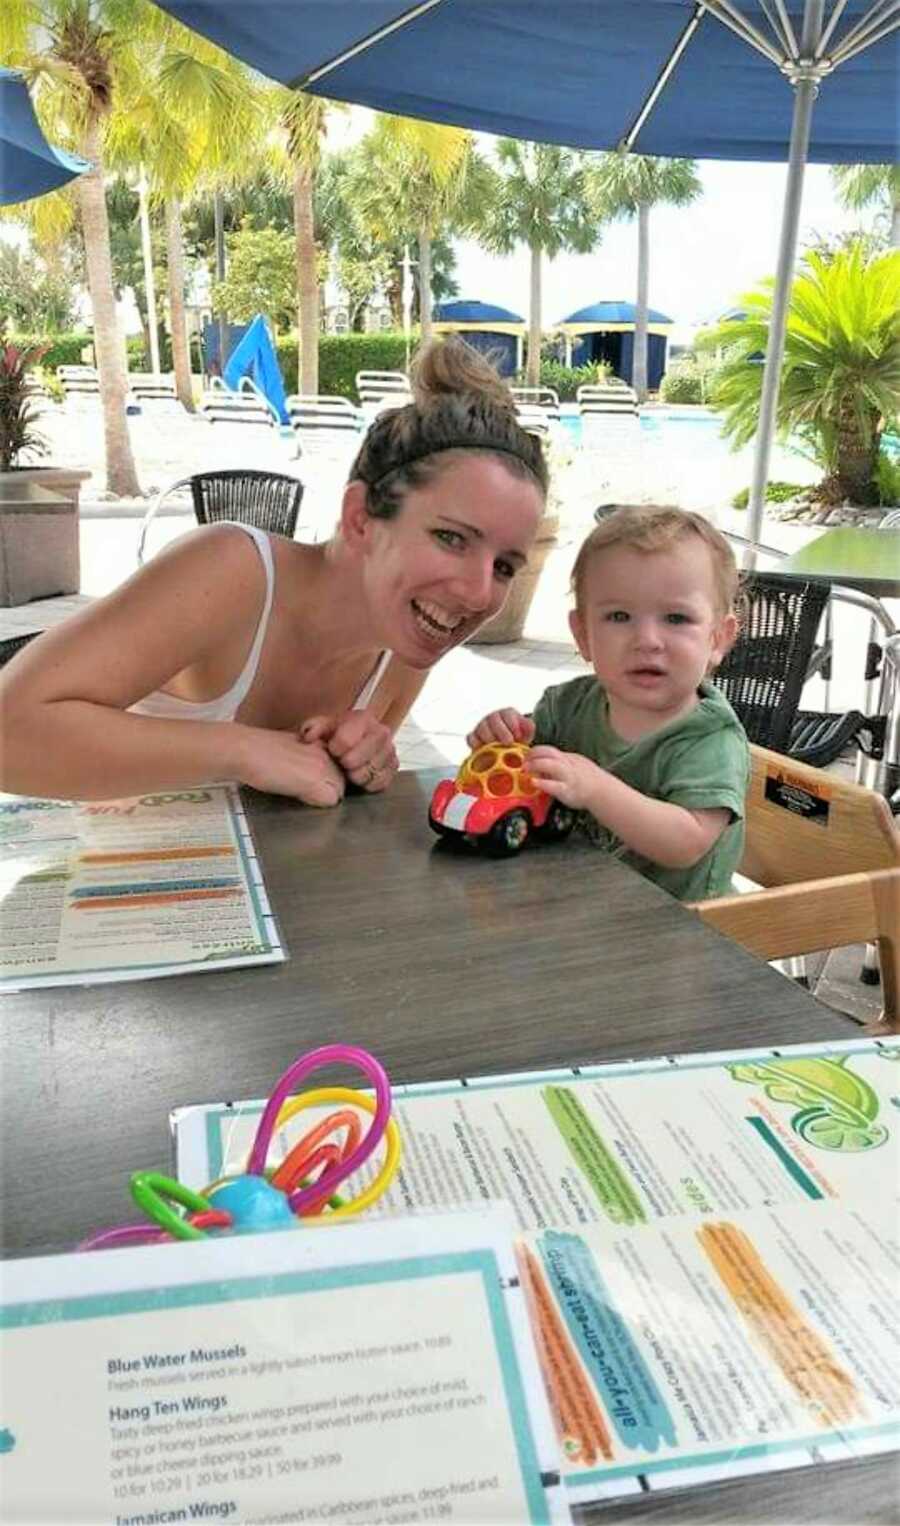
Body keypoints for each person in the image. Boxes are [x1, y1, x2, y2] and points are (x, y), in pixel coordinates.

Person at [0, 340, 547, 805]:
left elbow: (305, 806)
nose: (478, 591)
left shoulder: (406, 644)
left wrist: (363, 766)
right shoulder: (232, 571)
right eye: (451, 538)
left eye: (504, 566)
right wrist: (243, 750)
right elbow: (9, 732)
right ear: (359, 518)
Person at [467, 505, 750, 900]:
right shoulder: (566, 707)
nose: (647, 639)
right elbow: (526, 770)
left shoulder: (709, 740)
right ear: (582, 634)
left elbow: (687, 842)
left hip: (684, 935)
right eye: (619, 616)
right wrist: (504, 738)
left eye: (676, 618)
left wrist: (595, 788)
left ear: (718, 638)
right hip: (580, 911)